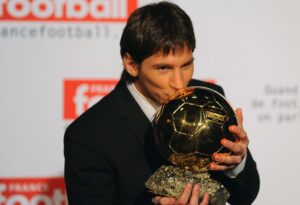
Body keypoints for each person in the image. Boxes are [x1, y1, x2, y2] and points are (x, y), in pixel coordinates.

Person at [64, 2, 260, 205]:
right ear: (131, 65)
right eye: (163, 68)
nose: (179, 83)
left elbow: (245, 197)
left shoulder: (209, 98)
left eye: (186, 65)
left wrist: (237, 164)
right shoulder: (88, 135)